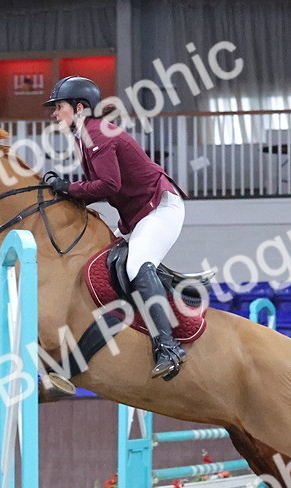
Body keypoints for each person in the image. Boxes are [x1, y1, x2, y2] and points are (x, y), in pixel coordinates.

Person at [42, 75, 190, 381]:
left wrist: (68, 187)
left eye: (59, 107)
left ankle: (168, 346)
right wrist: (68, 188)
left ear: (79, 108)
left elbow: (109, 185)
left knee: (136, 264)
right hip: (140, 216)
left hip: (161, 208)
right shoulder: (86, 135)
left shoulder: (97, 134)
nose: (54, 114)